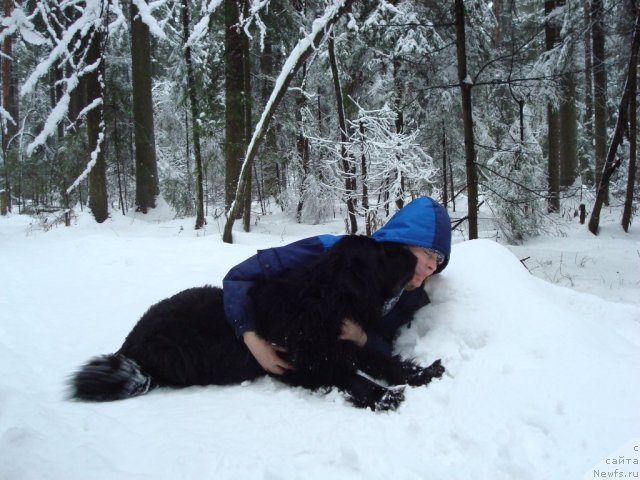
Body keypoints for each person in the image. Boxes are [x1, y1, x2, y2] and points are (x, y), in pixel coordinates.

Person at [222, 196, 452, 375]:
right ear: (402, 244)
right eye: (427, 253)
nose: (432, 266)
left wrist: (362, 338)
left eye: (438, 260)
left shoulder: (411, 296)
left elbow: (384, 344)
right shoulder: (333, 251)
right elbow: (239, 277)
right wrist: (252, 338)